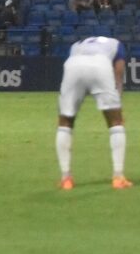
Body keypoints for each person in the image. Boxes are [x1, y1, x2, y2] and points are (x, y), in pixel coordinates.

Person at [55, 36, 133, 190]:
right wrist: (118, 104)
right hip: (100, 65)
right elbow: (119, 73)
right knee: (115, 123)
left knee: (65, 121)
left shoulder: (76, 44)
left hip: (73, 65)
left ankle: (66, 179)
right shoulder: (117, 44)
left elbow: (73, 62)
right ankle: (118, 177)